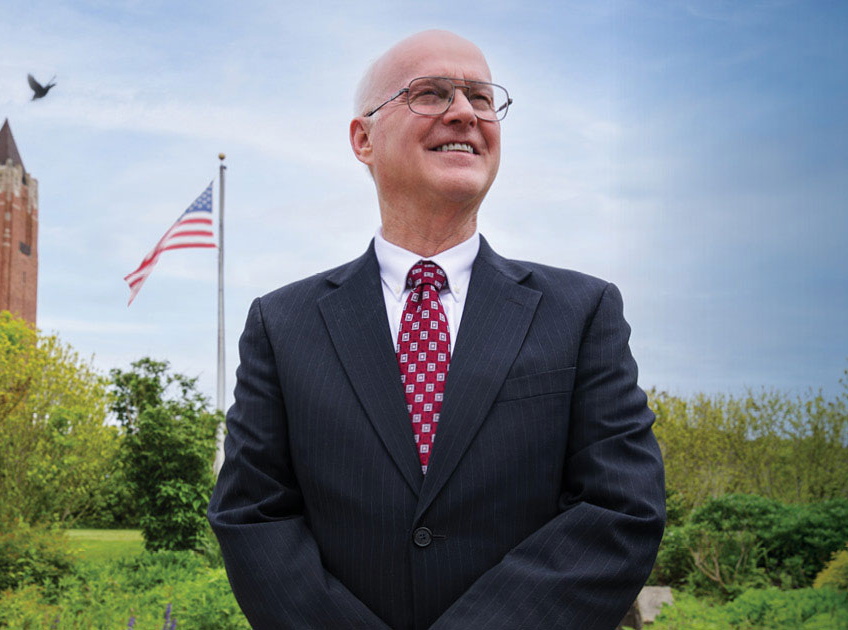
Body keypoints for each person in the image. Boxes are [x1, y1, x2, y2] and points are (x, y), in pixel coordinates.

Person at [208, 29, 665, 630]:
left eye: (481, 97)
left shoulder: (582, 312)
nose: (464, 113)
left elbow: (620, 509)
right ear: (363, 138)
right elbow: (254, 513)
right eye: (431, 93)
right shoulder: (282, 324)